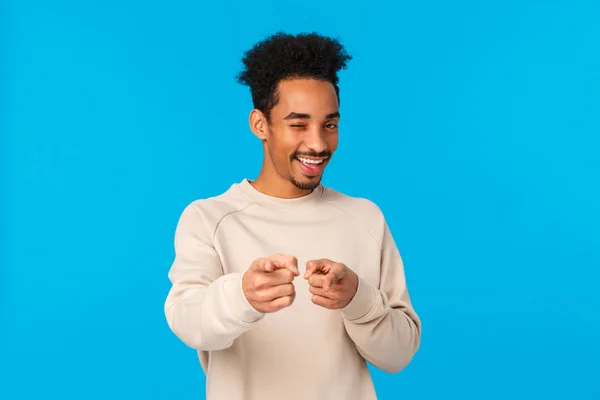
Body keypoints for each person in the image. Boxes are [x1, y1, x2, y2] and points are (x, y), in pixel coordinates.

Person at [164, 31, 421, 400]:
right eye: (298, 124)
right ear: (260, 125)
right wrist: (242, 295)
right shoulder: (209, 218)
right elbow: (188, 323)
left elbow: (399, 355)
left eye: (329, 124)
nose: (317, 143)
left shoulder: (365, 218)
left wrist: (358, 299)